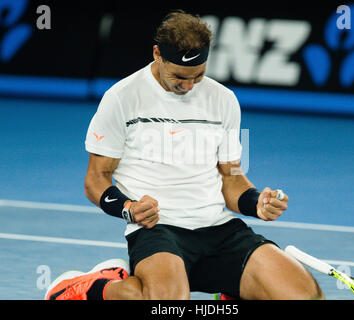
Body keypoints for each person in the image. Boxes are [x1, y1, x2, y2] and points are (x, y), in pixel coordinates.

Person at [45, 10, 324, 300]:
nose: (189, 86)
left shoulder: (224, 100)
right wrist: (128, 207)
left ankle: (231, 292)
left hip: (219, 228)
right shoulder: (122, 97)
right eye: (179, 76)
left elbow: (231, 177)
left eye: (198, 75)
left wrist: (257, 202)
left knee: (305, 296)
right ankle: (89, 288)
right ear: (157, 54)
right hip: (158, 230)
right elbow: (95, 179)